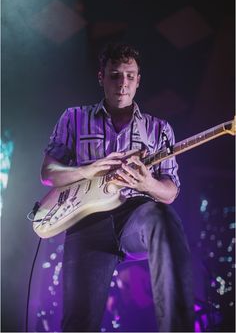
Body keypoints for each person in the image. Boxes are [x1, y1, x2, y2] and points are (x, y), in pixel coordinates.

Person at [41, 43, 194, 332]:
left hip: (136, 216)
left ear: (138, 80)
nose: (122, 83)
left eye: (129, 76)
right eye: (114, 75)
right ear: (101, 77)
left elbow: (171, 191)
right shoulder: (73, 117)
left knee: (162, 217)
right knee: (78, 323)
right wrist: (88, 169)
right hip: (86, 222)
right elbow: (48, 174)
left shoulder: (159, 128)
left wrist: (147, 183)